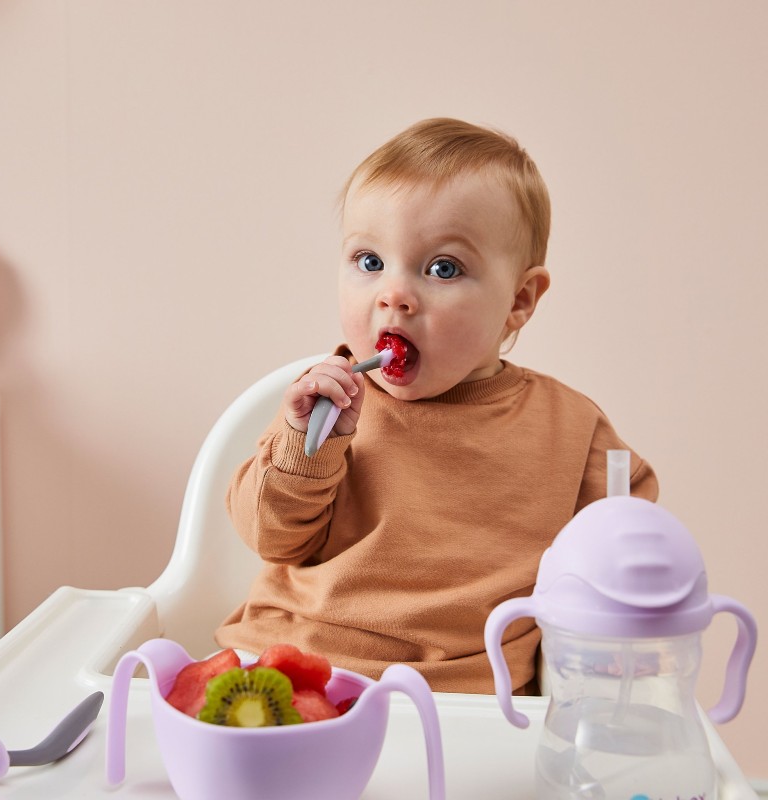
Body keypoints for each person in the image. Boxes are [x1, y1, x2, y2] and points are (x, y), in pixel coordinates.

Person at [215, 118, 658, 694]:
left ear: (519, 300)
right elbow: (271, 537)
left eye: (442, 268)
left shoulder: (568, 428)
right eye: (369, 261)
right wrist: (306, 447)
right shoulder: (327, 400)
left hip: (468, 701)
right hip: (297, 670)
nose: (392, 295)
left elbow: (628, 539)